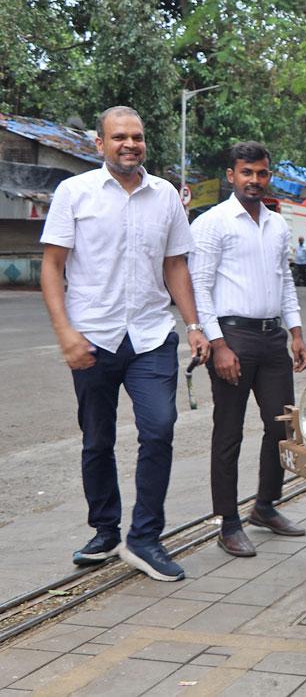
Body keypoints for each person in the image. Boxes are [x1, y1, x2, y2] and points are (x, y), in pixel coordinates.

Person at [40, 105, 210, 582]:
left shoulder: (166, 199)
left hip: (152, 336)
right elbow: (52, 266)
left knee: (159, 429)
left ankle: (145, 538)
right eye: (118, 137)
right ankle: (105, 529)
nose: (129, 144)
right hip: (92, 337)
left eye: (136, 136)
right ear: (100, 144)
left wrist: (194, 325)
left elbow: (176, 266)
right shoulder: (74, 193)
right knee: (98, 438)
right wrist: (65, 333)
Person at [189, 142, 306, 558]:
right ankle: (228, 522)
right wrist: (218, 344)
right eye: (246, 173)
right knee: (229, 431)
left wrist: (295, 332)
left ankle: (264, 506)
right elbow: (198, 288)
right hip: (232, 338)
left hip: (273, 336)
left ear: (268, 175)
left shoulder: (277, 224)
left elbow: (286, 281)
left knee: (282, 427)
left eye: (261, 173)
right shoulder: (212, 223)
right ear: (231, 175)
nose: (254, 180)